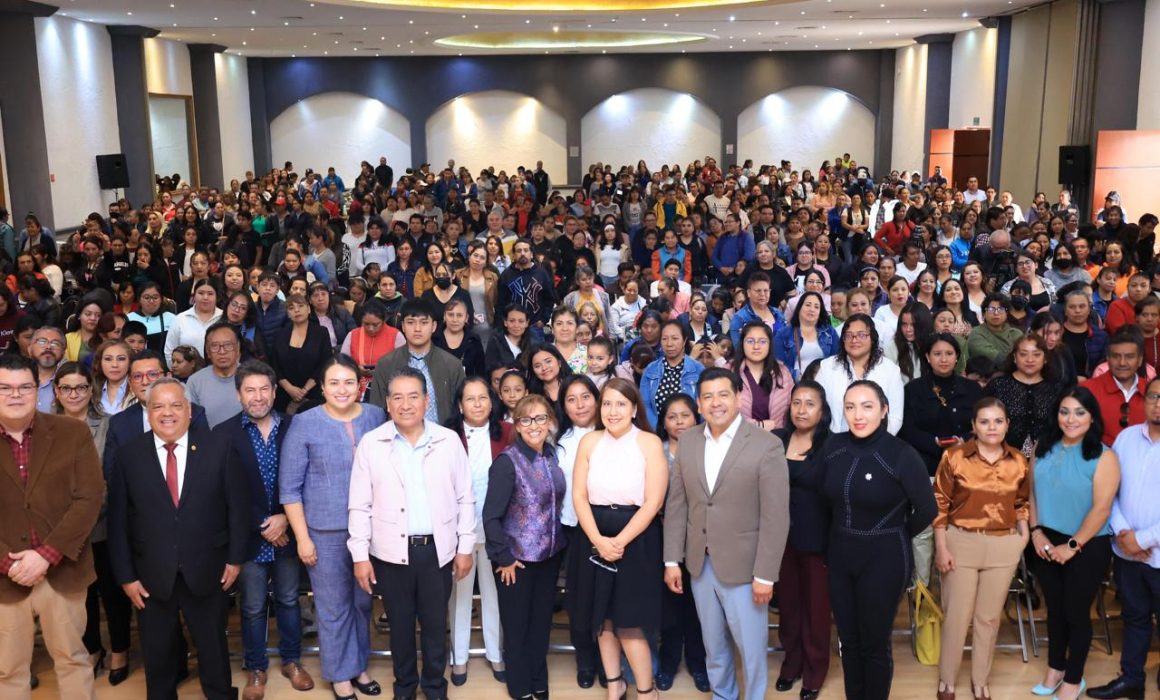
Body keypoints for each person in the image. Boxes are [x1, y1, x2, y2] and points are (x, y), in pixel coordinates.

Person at [107, 377, 249, 700]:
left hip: (209, 568)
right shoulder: (129, 456)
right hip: (150, 575)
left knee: (213, 648)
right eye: (158, 406)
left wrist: (235, 558)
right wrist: (126, 577)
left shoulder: (218, 447)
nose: (167, 413)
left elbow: (237, 509)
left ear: (189, 410)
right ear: (147, 410)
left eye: (175, 405)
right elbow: (118, 524)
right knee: (157, 656)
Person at [349, 368, 475, 700]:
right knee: (400, 628)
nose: (406, 405)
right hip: (391, 553)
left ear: (426, 401)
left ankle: (434, 688)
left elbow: (465, 497)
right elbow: (359, 505)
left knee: (435, 626)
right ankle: (404, 688)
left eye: (413, 396)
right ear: (387, 404)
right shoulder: (371, 444)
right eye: (398, 398)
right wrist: (360, 557)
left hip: (437, 551)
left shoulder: (447, 441)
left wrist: (465, 547)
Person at [664, 367, 790, 700]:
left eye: (723, 394)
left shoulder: (767, 445)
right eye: (707, 396)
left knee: (750, 651)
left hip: (746, 569)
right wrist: (671, 560)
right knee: (713, 645)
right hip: (699, 564)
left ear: (738, 397)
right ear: (699, 403)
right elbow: (677, 505)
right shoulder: (688, 441)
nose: (715, 403)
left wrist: (765, 574)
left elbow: (776, 516)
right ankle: (723, 695)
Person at [820, 380, 937, 700]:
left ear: (884, 410)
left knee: (874, 643)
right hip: (841, 557)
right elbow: (822, 499)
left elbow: (927, 509)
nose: (858, 415)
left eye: (867, 406)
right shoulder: (833, 446)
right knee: (849, 641)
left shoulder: (901, 453)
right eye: (850, 407)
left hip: (885, 559)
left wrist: (894, 533)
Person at [280, 356, 385, 700]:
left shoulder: (375, 417)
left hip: (370, 530)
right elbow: (290, 488)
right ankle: (340, 673)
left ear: (360, 385)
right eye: (334, 383)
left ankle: (358, 665)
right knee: (332, 605)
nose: (342, 389)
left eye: (349, 382)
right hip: (324, 532)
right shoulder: (304, 423)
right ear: (322, 387)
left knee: (363, 602)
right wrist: (303, 539)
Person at [0, 354, 103, 700]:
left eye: (24, 386)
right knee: (7, 671)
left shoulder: (71, 432)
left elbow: (90, 498)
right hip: (4, 576)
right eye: (5, 387)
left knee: (73, 661)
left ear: (39, 390)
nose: (15, 394)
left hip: (62, 571)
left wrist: (45, 555)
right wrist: (9, 562)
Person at [217, 361, 314, 699]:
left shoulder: (295, 426)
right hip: (249, 535)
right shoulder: (224, 434)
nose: (257, 397)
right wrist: (264, 524)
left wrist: (285, 519)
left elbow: (308, 478)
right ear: (239, 394)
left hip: (289, 530)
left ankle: (291, 660)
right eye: (250, 390)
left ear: (275, 392)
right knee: (253, 605)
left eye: (263, 389)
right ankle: (256, 667)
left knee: (289, 599)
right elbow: (226, 493)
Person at [572, 379, 668, 700]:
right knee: (602, 620)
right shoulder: (589, 441)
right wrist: (599, 540)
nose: (613, 411)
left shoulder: (650, 442)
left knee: (629, 622)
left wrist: (619, 541)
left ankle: (646, 690)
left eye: (621, 404)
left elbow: (654, 502)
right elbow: (579, 495)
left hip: (636, 536)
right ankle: (616, 685)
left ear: (634, 408)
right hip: (594, 533)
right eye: (607, 404)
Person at [933, 398, 1031, 700]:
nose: (992, 427)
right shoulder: (954, 457)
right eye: (985, 421)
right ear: (973, 426)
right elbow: (940, 505)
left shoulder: (1018, 460)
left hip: (1004, 544)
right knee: (957, 615)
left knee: (988, 618)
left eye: (998, 421)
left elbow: (1021, 504)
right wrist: (941, 547)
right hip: (961, 540)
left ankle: (980, 680)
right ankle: (947, 679)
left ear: (1007, 425)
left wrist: (1022, 539)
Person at [1027, 387, 1118, 700]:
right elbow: (1032, 494)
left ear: (1092, 417)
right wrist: (1036, 532)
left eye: (1079, 412)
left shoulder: (1105, 456)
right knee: (1054, 609)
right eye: (1064, 411)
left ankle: (1073, 678)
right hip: (1045, 540)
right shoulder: (1042, 446)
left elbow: (1102, 508)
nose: (1070, 419)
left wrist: (1073, 546)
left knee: (1076, 612)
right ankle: (1055, 668)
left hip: (1087, 544)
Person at [482, 393, 567, 700]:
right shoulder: (507, 462)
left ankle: (538, 679)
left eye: (541, 418)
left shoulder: (552, 456)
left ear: (551, 423)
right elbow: (490, 517)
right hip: (514, 561)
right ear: (516, 425)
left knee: (541, 624)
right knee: (517, 627)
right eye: (526, 419)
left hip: (549, 557)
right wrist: (503, 558)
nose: (534, 425)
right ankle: (520, 688)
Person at [1087, 377, 1160, 700]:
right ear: (1145, 400)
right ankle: (1132, 680)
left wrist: (1143, 539)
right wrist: (1122, 531)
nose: (1158, 403)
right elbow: (1108, 489)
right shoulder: (1127, 438)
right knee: (1135, 617)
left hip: (1153, 551)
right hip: (1127, 551)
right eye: (1154, 396)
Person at [447, 377, 510, 687]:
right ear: (460, 405)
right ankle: (458, 658)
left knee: (493, 593)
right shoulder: (447, 437)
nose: (477, 404)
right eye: (469, 399)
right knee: (459, 596)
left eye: (482, 397)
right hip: (459, 529)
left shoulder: (508, 433)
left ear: (491, 401)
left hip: (496, 528)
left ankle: (495, 652)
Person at [773, 381, 833, 700]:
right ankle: (792, 662)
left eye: (810, 403)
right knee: (789, 607)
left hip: (818, 541)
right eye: (797, 402)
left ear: (822, 411)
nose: (802, 409)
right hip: (780, 540)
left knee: (816, 610)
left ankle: (814, 671)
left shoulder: (833, 445)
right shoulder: (776, 440)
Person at [553, 375, 605, 688]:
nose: (579, 404)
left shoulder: (611, 433)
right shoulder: (558, 441)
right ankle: (586, 662)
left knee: (607, 601)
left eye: (585, 397)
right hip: (573, 531)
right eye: (571, 399)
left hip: (610, 531)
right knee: (578, 601)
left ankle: (607, 661)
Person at [366, 299, 465, 424]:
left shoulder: (452, 365)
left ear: (433, 326)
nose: (417, 329)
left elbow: (462, 410)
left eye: (424, 323)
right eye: (411, 322)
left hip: (442, 438)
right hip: (397, 439)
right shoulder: (385, 364)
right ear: (403, 326)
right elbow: (377, 411)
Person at [812, 314, 905, 434]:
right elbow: (817, 407)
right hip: (834, 441)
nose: (854, 340)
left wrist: (878, 442)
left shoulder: (891, 370)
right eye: (849, 335)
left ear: (872, 338)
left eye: (861, 335)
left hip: (876, 444)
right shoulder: (827, 367)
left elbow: (895, 418)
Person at [1080, 328, 1148, 446]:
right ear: (1108, 358)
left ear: (1140, 360)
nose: (1122, 363)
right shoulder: (1087, 390)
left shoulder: (1152, 392)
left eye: (1129, 357)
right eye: (1116, 356)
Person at [268, 294, 331, 414]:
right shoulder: (279, 334)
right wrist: (289, 388)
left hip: (314, 391)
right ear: (288, 313)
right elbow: (274, 365)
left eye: (300, 306)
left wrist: (305, 390)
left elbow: (325, 363)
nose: (296, 310)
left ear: (308, 309)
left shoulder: (321, 332)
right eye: (291, 308)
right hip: (284, 393)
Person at [640, 320, 704, 428]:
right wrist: (660, 429)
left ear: (684, 341)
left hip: (691, 432)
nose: (669, 344)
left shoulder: (698, 369)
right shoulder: (650, 370)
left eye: (675, 338)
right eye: (665, 339)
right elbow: (645, 405)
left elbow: (703, 404)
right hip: (658, 433)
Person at [733, 321, 793, 431]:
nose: (756, 346)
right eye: (750, 341)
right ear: (742, 343)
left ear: (770, 344)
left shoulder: (783, 373)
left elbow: (791, 411)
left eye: (763, 341)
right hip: (738, 440)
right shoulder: (728, 371)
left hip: (776, 440)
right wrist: (759, 426)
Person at [185, 322, 245, 428]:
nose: (222, 351)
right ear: (208, 352)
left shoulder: (252, 377)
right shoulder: (195, 381)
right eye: (215, 346)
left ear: (238, 347)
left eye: (228, 345)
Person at [163, 279, 223, 368]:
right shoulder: (180, 319)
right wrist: (176, 370)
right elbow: (169, 351)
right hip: (185, 375)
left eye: (210, 294)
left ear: (217, 297)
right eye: (201, 293)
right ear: (194, 296)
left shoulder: (224, 318)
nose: (205, 297)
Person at [966, 293, 1023, 366]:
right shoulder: (976, 333)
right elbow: (996, 359)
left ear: (1007, 314)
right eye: (991, 309)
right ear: (983, 314)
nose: (996, 313)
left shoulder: (1016, 334)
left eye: (1001, 309)